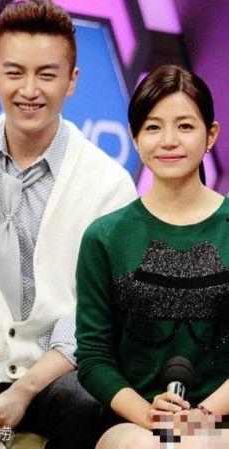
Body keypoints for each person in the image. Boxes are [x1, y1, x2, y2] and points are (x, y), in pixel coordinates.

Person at [0, 1, 137, 448]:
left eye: (47, 74)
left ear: (72, 81)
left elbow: (98, 314)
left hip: (57, 374)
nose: (29, 90)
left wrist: (24, 389)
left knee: (89, 402)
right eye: (15, 72)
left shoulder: (109, 183)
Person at [75, 64, 229, 449]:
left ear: (211, 134)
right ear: (135, 137)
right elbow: (93, 357)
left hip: (220, 422)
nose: (169, 141)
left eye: (185, 126)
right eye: (153, 127)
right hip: (135, 424)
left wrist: (201, 417)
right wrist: (149, 415)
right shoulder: (105, 236)